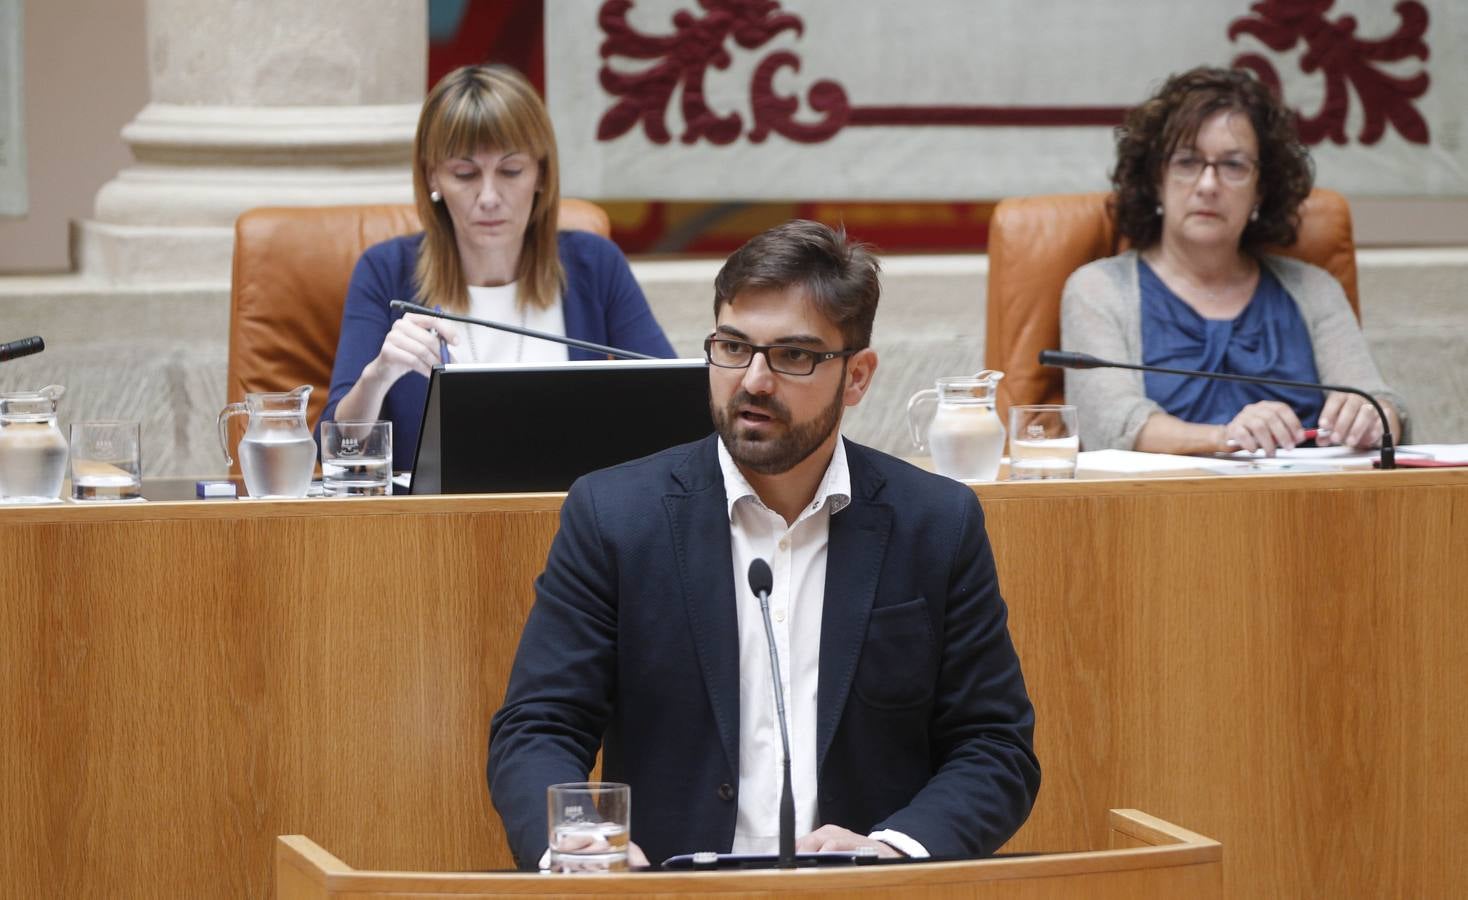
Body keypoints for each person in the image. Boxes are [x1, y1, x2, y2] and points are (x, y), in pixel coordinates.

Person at [488, 220, 1039, 869]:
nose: (753, 380)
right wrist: (579, 840)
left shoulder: (937, 524)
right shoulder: (615, 516)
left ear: (857, 377)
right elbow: (539, 727)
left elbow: (993, 745)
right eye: (732, 347)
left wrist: (888, 848)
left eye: (794, 355)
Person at [321, 65, 675, 470]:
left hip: (572, 519)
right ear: (431, 176)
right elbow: (336, 452)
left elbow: (675, 406)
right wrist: (378, 376)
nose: (489, 197)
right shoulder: (385, 272)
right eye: (465, 173)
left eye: (510, 171)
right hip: (429, 526)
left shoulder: (595, 265)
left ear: (541, 172)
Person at [1061, 66, 1408, 454]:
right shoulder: (1099, 290)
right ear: (1156, 179)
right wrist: (1226, 436)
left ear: (1261, 189)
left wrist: (1374, 417)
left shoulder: (1314, 289)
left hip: (1308, 508)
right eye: (1187, 161)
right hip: (1159, 510)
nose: (1208, 185)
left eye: (1233, 165)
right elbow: (1111, 427)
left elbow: (1380, 406)